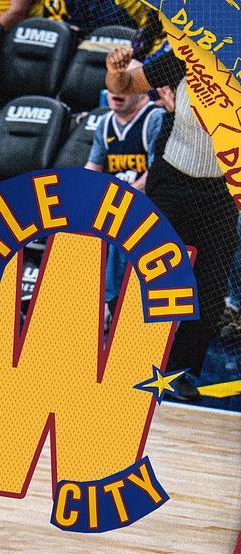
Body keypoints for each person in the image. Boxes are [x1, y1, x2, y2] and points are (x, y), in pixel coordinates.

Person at [105, 45, 238, 401]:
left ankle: (181, 373)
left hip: (222, 192)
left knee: (209, 292)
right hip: (172, 180)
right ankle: (128, 360)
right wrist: (115, 71)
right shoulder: (187, 55)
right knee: (152, 273)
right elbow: (124, 85)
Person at [85, 75, 164, 306]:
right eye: (112, 85)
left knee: (121, 220)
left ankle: (111, 302)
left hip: (150, 200)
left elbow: (155, 175)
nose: (116, 91)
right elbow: (92, 169)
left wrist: (120, 198)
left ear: (142, 90)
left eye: (125, 85)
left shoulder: (155, 119)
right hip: (116, 199)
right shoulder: (105, 122)